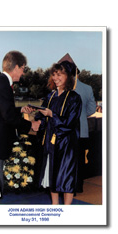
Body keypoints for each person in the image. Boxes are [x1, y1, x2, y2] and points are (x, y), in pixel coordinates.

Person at [0, 50, 40, 195]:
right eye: (23, 69)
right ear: (16, 67)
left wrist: (20, 110)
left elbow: (3, 110)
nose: (23, 73)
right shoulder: (3, 86)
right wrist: (31, 125)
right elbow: (8, 117)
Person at [35, 60, 82, 205]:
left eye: (59, 74)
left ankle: (66, 210)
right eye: (54, 75)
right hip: (51, 143)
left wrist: (51, 115)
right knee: (52, 175)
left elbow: (69, 123)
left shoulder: (74, 98)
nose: (55, 78)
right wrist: (37, 118)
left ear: (68, 76)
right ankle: (55, 207)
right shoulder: (50, 96)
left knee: (66, 177)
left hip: (67, 145)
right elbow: (42, 118)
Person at [58, 53, 96, 193]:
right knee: (79, 160)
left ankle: (66, 188)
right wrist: (81, 115)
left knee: (66, 161)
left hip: (66, 131)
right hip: (83, 131)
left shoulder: (62, 89)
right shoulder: (87, 88)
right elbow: (92, 109)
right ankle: (77, 187)